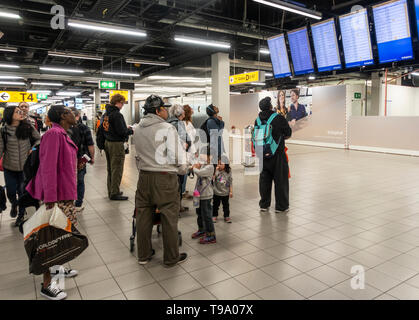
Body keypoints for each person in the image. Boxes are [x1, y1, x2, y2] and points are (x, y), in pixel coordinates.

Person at [26, 105, 80, 300]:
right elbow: (48, 168)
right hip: (56, 196)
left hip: (64, 193)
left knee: (62, 234)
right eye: (69, 112)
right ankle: (47, 284)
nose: (73, 114)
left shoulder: (62, 133)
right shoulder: (53, 135)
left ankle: (58, 268)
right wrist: (50, 198)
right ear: (62, 116)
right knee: (51, 238)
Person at [133, 95, 188, 267]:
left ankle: (143, 255)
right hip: (164, 177)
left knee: (143, 216)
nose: (165, 111)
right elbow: (177, 157)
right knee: (169, 217)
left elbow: (138, 155)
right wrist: (182, 170)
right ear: (158, 111)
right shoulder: (167, 128)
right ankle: (171, 257)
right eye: (163, 108)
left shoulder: (137, 128)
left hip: (143, 177)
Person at [0, 106, 40, 226]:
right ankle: (14, 204)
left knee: (22, 191)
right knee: (11, 192)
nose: (21, 113)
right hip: (9, 166)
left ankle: (21, 215)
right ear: (10, 115)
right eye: (17, 112)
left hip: (25, 166)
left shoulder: (28, 127)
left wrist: (32, 149)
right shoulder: (3, 131)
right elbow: (0, 148)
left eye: (21, 111)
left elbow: (38, 140)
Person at [256, 97, 292, 213]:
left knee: (264, 180)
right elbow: (288, 133)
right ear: (271, 106)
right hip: (277, 155)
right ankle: (281, 207)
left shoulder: (257, 120)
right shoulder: (279, 118)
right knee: (280, 180)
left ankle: (264, 205)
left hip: (262, 154)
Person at [103, 94, 133, 201]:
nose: (123, 105)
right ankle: (115, 193)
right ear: (118, 102)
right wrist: (131, 130)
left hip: (108, 143)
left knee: (110, 168)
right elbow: (122, 132)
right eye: (122, 103)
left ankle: (111, 190)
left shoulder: (106, 114)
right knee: (117, 168)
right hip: (116, 144)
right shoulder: (117, 115)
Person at [68, 108, 95, 211]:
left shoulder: (64, 129)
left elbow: (90, 144)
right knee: (80, 180)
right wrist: (92, 158)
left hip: (74, 159)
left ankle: (72, 203)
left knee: (75, 180)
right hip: (80, 158)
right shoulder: (84, 128)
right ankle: (78, 203)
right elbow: (90, 144)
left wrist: (92, 157)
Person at [167, 104, 191, 213]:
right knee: (179, 183)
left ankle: (172, 207)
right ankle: (178, 207)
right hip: (179, 158)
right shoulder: (179, 124)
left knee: (171, 184)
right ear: (180, 114)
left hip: (168, 159)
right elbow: (185, 140)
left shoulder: (166, 123)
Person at [191, 151, 216, 244]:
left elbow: (200, 173)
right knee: (199, 213)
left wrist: (194, 168)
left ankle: (211, 235)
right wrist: (195, 166)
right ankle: (202, 230)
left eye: (203, 154)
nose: (201, 155)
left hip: (206, 195)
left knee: (207, 215)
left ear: (210, 156)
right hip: (198, 194)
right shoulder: (203, 164)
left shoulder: (210, 167)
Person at [182, 105, 196, 199]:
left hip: (187, 151)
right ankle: (182, 192)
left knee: (185, 172)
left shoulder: (185, 123)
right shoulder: (186, 124)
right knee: (184, 172)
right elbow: (189, 140)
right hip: (186, 152)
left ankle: (182, 190)